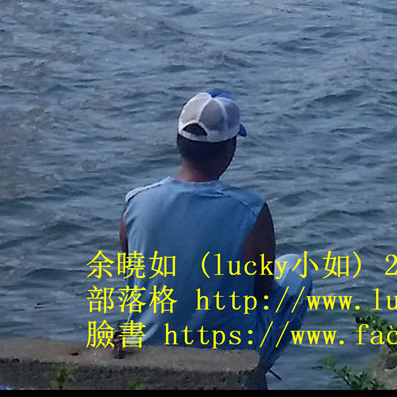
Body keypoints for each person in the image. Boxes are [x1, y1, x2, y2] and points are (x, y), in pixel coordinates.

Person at [119, 91, 313, 374]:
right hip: (227, 352)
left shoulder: (135, 202)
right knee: (295, 269)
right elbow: (262, 292)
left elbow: (133, 278)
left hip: (148, 344)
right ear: (229, 149)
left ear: (179, 142)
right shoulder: (251, 210)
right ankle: (253, 369)